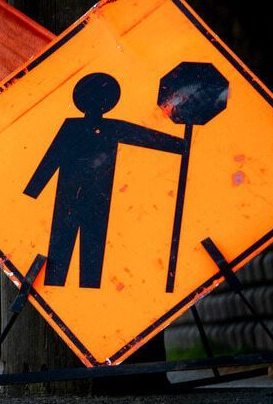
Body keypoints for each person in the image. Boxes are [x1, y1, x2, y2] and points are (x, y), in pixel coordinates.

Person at [24, 72, 185, 288]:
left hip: (97, 200)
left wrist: (180, 146)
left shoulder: (111, 127)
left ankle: (87, 291)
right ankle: (56, 288)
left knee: (92, 255)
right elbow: (50, 159)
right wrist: (32, 192)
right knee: (59, 254)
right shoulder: (72, 127)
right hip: (69, 199)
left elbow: (143, 136)